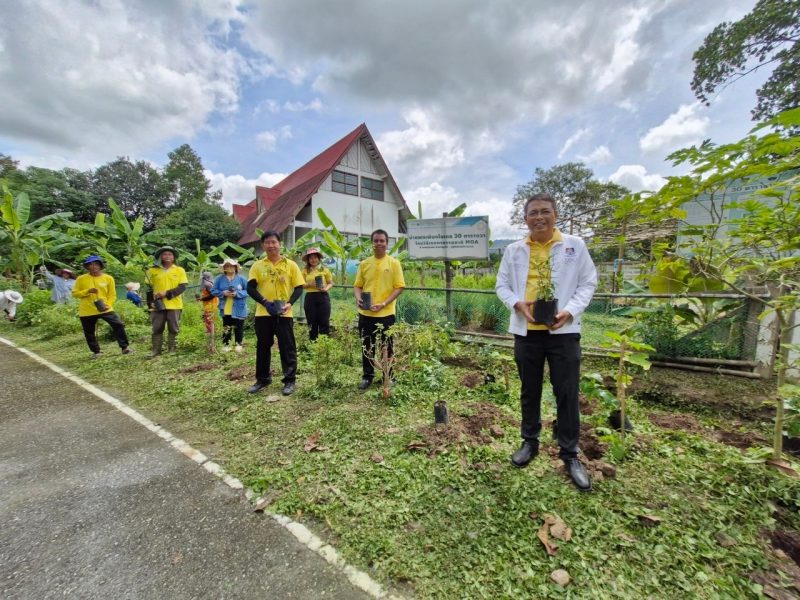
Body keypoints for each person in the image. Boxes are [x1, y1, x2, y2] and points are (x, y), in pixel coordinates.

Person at [496, 193, 597, 492]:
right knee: (530, 389)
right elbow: (501, 285)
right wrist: (517, 304)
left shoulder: (574, 246)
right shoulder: (514, 250)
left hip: (563, 332)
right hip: (526, 332)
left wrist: (570, 310)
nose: (539, 217)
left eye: (545, 212)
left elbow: (588, 282)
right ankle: (530, 441)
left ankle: (570, 453)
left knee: (567, 391)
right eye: (533, 213)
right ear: (525, 218)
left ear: (556, 215)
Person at [246, 231, 304, 396]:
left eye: (274, 242)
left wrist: (289, 303)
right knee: (263, 347)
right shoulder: (257, 266)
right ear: (263, 245)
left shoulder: (291, 265)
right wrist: (265, 302)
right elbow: (250, 288)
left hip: (284, 313)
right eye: (267, 243)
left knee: (287, 347)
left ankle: (289, 380)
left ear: (280, 244)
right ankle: (263, 379)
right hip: (263, 313)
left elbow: (299, 287)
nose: (271, 245)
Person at [353, 229, 405, 390]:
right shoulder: (364, 264)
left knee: (387, 346)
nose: (379, 243)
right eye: (376, 240)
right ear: (372, 243)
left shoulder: (394, 263)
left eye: (382, 240)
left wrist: (383, 303)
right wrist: (358, 298)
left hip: (386, 313)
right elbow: (357, 286)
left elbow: (399, 287)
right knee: (367, 346)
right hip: (366, 313)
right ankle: (367, 376)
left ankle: (388, 376)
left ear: (387, 243)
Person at [72, 255, 131, 359]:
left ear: (100, 265)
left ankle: (124, 347)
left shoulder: (108, 278)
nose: (93, 266)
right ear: (87, 267)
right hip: (87, 309)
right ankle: (96, 351)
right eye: (90, 264)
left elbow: (112, 295)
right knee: (89, 332)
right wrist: (87, 291)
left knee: (118, 324)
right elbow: (75, 293)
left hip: (105, 308)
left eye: (96, 264)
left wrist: (108, 305)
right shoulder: (81, 279)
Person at [145, 246, 188, 357]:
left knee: (173, 328)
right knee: (157, 328)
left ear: (173, 257)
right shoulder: (152, 270)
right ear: (160, 256)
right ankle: (156, 350)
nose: (167, 256)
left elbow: (182, 287)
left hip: (174, 304)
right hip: (157, 304)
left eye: (170, 254)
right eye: (164, 254)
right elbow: (148, 289)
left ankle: (172, 350)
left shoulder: (179, 270)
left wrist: (167, 293)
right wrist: (150, 303)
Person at [211, 258, 248, 353]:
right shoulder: (219, 279)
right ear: (224, 268)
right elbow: (213, 290)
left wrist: (237, 294)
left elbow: (248, 291)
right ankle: (226, 345)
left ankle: (238, 344)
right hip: (225, 306)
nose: (229, 268)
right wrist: (223, 293)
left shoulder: (242, 279)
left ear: (236, 267)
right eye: (227, 266)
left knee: (239, 326)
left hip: (239, 306)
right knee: (226, 326)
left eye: (231, 266)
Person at [301, 247, 333, 341]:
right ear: (308, 260)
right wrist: (309, 284)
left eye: (315, 257)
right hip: (310, 298)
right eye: (311, 258)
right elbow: (301, 285)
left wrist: (325, 289)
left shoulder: (324, 269)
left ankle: (323, 344)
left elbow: (330, 283)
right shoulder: (305, 271)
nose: (313, 260)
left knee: (324, 321)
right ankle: (313, 344)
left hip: (323, 296)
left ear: (319, 258)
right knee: (311, 322)